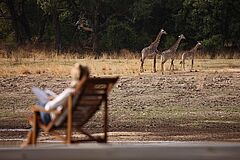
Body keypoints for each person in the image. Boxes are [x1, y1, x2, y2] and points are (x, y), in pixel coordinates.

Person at [21, 63, 89, 146]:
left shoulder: (70, 91)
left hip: (58, 120)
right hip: (76, 118)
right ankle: (28, 143)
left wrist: (49, 101)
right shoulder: (84, 92)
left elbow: (49, 107)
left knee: (39, 106)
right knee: (37, 118)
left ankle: (28, 143)